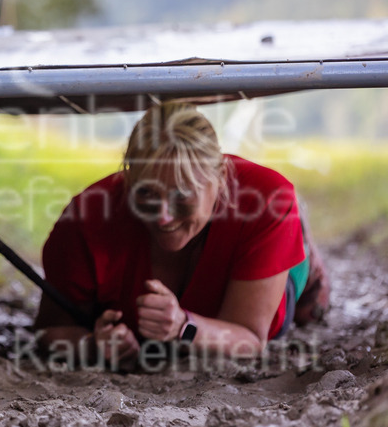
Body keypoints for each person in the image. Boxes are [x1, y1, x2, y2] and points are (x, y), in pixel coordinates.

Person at [34, 102, 330, 367]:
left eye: (182, 193)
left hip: (269, 269)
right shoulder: (87, 217)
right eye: (146, 192)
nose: (162, 216)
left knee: (312, 310)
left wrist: (183, 326)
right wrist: (92, 347)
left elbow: (251, 338)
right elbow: (49, 332)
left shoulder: (266, 199)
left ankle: (299, 235)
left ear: (221, 177)